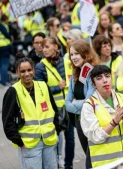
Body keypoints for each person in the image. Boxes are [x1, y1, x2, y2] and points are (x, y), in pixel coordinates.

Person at [2, 57, 60, 169]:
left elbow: (54, 110)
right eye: (23, 71)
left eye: (29, 70)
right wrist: (18, 141)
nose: (27, 74)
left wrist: (56, 130)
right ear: (17, 72)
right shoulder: (13, 91)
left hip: (49, 140)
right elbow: (7, 121)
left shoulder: (43, 86)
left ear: (33, 70)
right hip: (28, 144)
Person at [81, 65, 123, 167]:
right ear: (93, 84)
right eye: (99, 78)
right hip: (106, 164)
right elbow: (95, 136)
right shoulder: (89, 105)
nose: (105, 80)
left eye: (107, 76)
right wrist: (114, 122)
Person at [35, 37, 73, 169]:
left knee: (70, 139)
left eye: (47, 46)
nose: (44, 50)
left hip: (68, 107)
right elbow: (39, 90)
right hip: (52, 110)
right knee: (55, 139)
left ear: (56, 47)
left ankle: (68, 165)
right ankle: (56, 163)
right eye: (43, 47)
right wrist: (57, 88)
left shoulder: (67, 62)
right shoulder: (40, 66)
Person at [65, 40, 100, 169]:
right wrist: (80, 104)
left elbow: (90, 101)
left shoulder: (93, 73)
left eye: (76, 54)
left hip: (93, 121)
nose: (73, 57)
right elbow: (67, 103)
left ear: (85, 54)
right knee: (88, 155)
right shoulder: (74, 75)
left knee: (91, 160)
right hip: (80, 122)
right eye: (71, 54)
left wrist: (76, 103)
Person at [0, 14, 11, 86]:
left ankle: (2, 80)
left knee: (1, 64)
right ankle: (5, 80)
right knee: (4, 64)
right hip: (4, 46)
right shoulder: (2, 26)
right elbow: (7, 35)